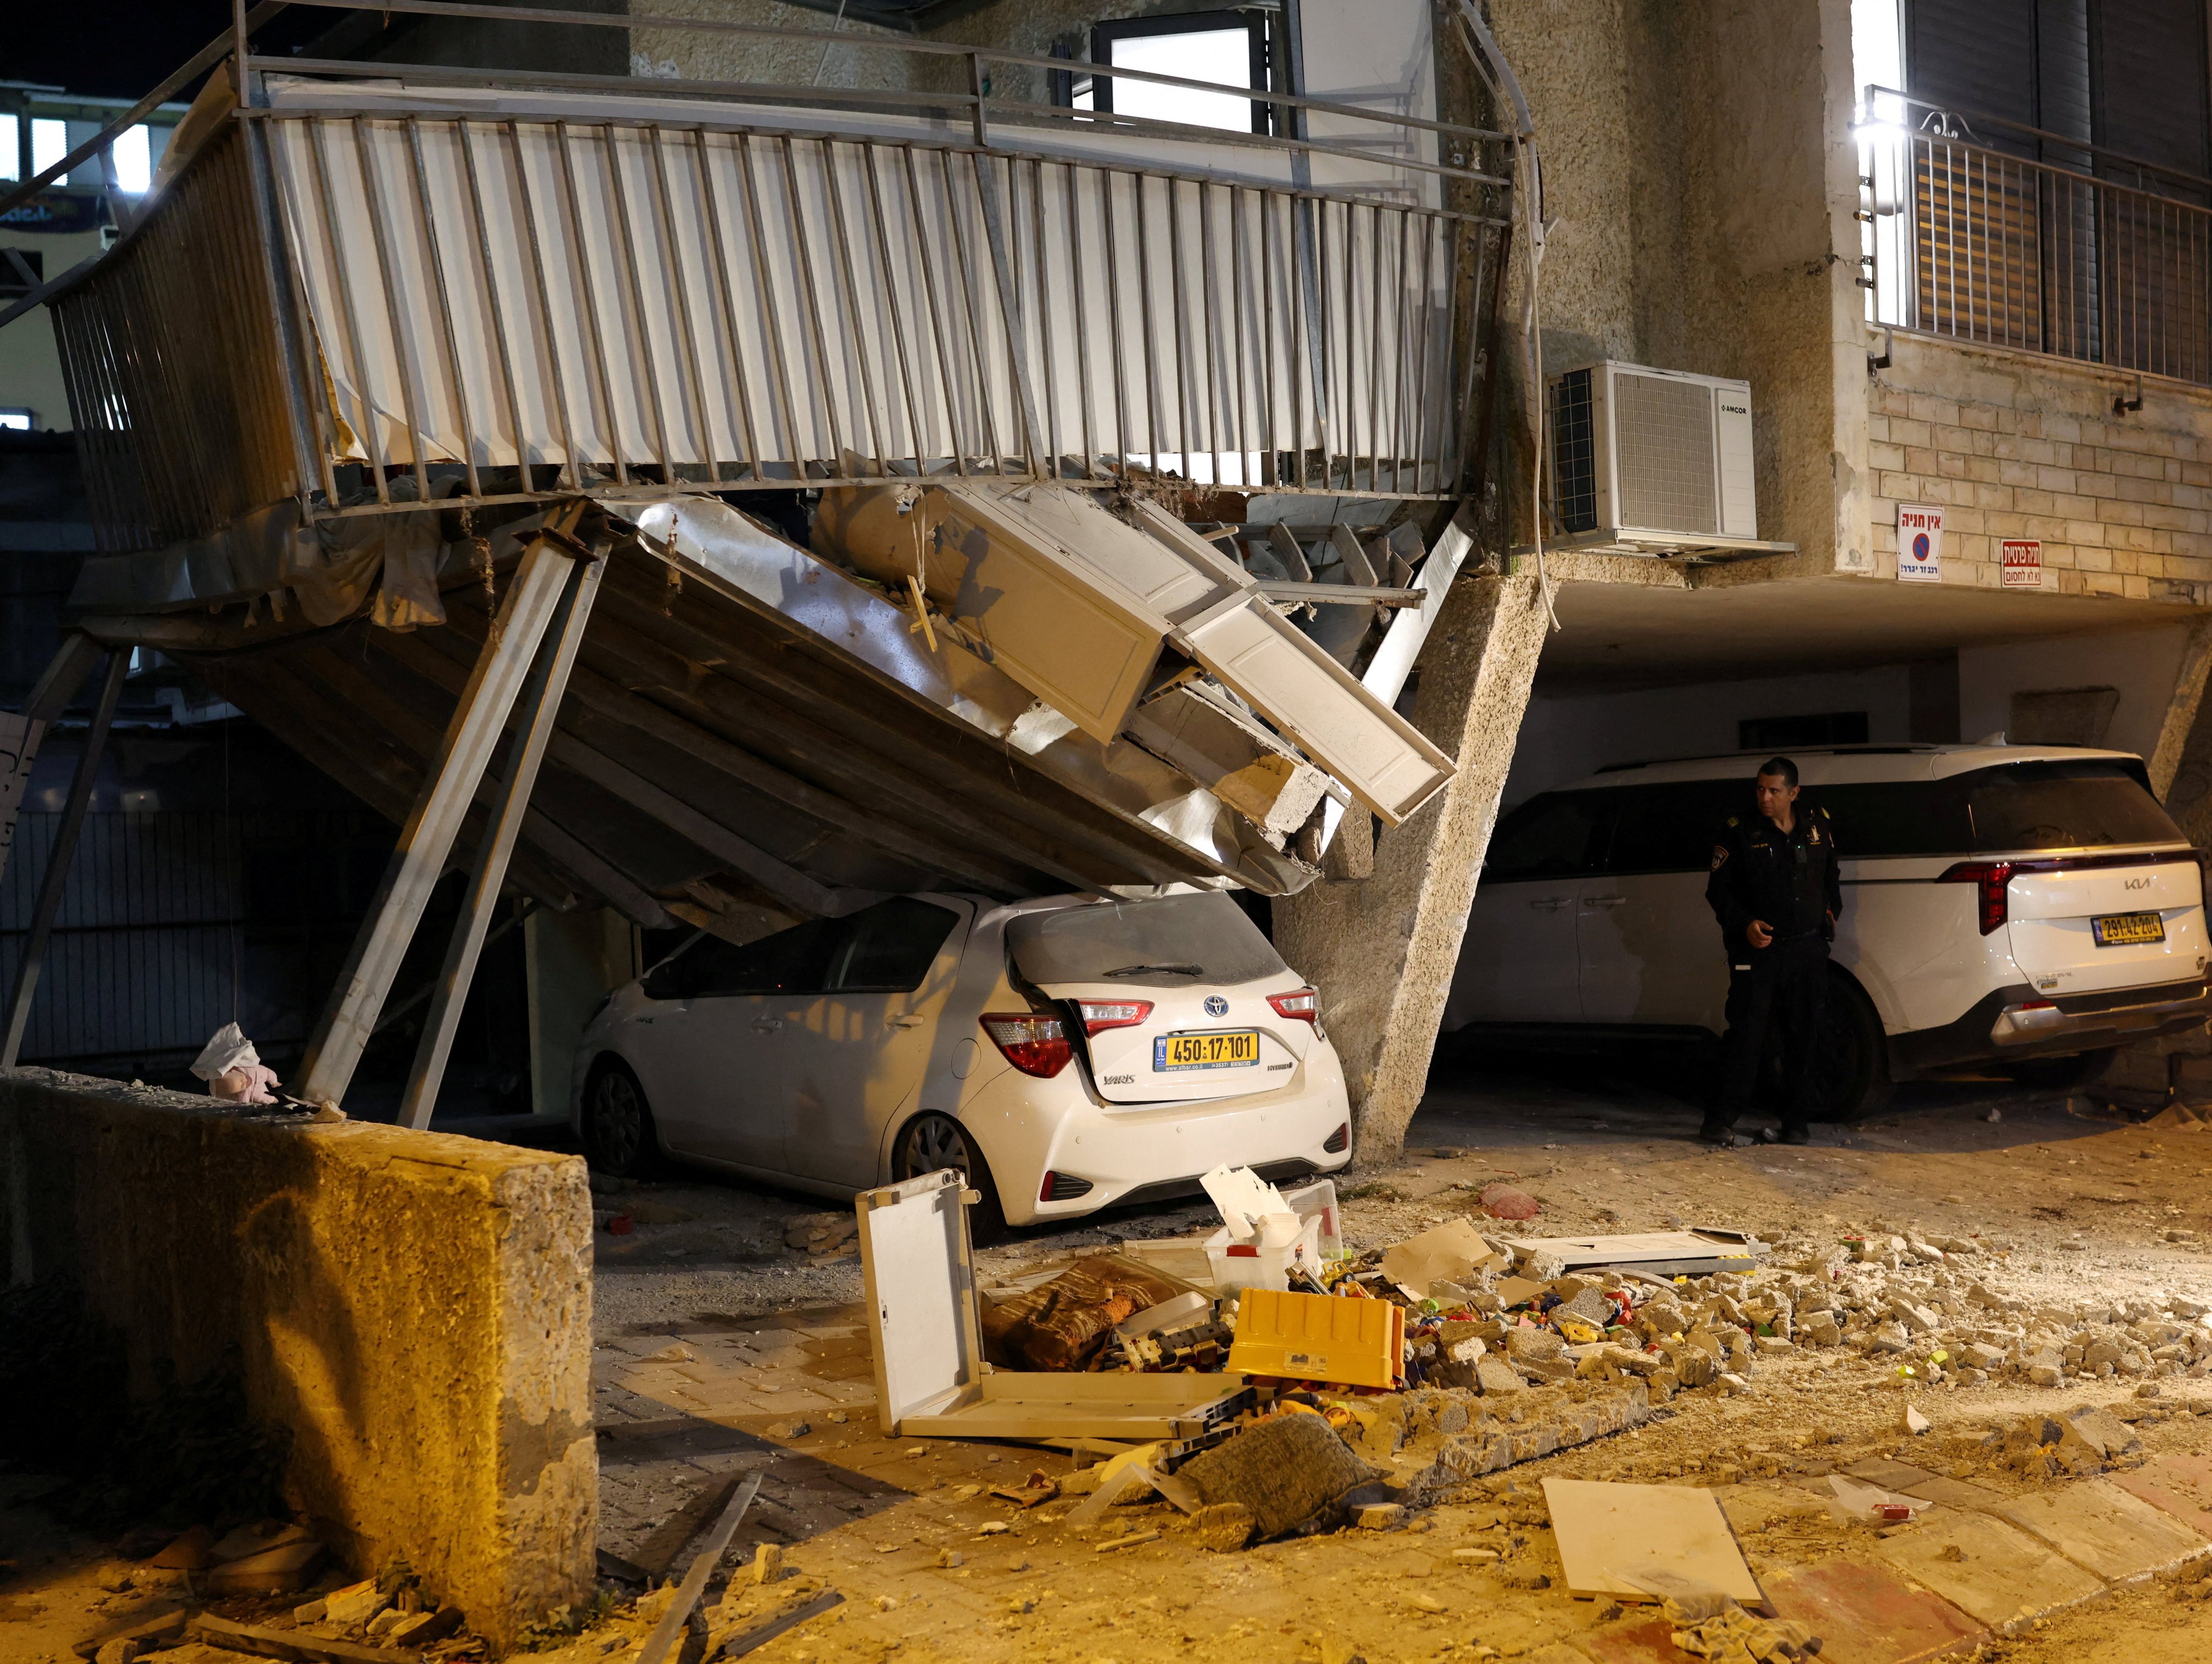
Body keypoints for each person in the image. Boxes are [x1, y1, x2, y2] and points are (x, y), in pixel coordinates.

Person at [1701, 756, 1840, 1147]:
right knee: (1747, 1036)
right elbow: (1718, 891)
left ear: (1793, 793)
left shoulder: (1816, 824)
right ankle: (1720, 1119)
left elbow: (1831, 875)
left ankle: (1796, 1123)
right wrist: (1744, 924)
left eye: (1774, 791)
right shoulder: (1739, 831)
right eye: (1760, 789)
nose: (1765, 797)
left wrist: (1831, 913)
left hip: (1807, 950)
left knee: (1806, 1036)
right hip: (1759, 953)